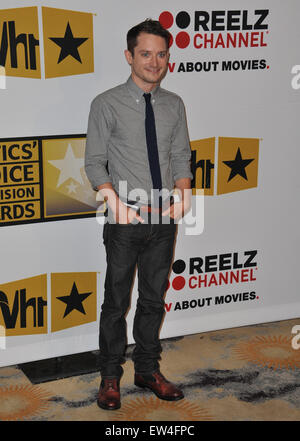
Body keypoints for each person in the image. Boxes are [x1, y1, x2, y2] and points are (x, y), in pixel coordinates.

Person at [85, 19, 192, 411]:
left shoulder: (174, 104)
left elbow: (181, 155)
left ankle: (147, 370)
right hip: (124, 221)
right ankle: (110, 376)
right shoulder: (106, 103)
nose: (154, 62)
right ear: (129, 56)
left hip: (164, 221)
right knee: (116, 301)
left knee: (153, 299)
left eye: (161, 54)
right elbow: (95, 162)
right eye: (145, 54)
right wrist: (113, 201)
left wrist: (183, 194)